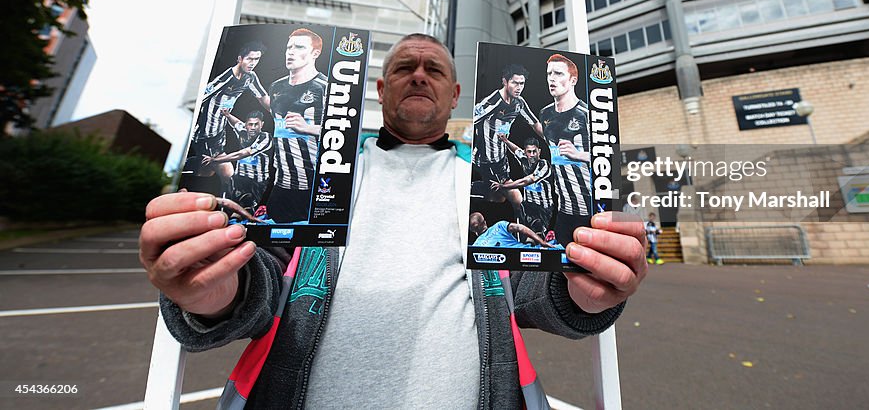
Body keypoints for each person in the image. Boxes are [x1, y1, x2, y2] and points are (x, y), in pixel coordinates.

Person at [140, 33, 648, 408]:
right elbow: (263, 273)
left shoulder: (486, 179)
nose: (420, 74)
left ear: (454, 97)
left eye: (435, 70)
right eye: (406, 67)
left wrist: (583, 291)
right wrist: (213, 295)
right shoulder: (325, 167)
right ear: (381, 90)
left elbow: (529, 288)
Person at [185, 41, 270, 195]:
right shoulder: (226, 77)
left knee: (206, 172)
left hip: (219, 134)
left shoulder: (250, 77)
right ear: (240, 59)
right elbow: (202, 97)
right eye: (250, 59)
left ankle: (192, 195)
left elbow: (262, 97)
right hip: (206, 135)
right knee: (229, 176)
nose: (253, 63)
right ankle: (227, 211)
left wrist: (279, 113)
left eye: (256, 59)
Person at [263, 28, 327, 223]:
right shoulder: (276, 87)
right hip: (280, 185)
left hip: (311, 186)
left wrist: (307, 128)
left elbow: (342, 135)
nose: (290, 52)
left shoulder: (326, 87)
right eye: (288, 47)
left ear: (315, 53)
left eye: (298, 47)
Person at [540, 53, 593, 248]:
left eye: (558, 73)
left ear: (573, 80)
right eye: (549, 74)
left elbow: (609, 160)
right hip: (562, 211)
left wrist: (578, 155)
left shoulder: (587, 115)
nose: (552, 79)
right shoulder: (545, 113)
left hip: (588, 212)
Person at [471, 63, 541, 198]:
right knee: (516, 199)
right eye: (515, 83)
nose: (519, 88)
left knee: (499, 199)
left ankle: (479, 190)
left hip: (501, 159)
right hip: (486, 160)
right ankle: (471, 188)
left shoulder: (519, 102)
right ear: (504, 81)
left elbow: (535, 123)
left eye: (522, 83)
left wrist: (552, 141)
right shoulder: (493, 101)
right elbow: (470, 119)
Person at [206, 110, 273, 213]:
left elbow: (242, 154)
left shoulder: (265, 138)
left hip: (257, 182)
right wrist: (227, 115)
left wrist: (216, 160)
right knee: (230, 203)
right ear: (246, 125)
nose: (253, 127)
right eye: (250, 124)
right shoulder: (243, 131)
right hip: (239, 179)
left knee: (246, 209)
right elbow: (236, 123)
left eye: (256, 124)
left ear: (262, 125)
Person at [492, 135, 554, 236]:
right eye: (529, 151)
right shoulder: (524, 159)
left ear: (539, 152)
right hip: (528, 205)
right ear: (525, 152)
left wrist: (504, 186)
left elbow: (526, 181)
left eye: (535, 151)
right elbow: (516, 150)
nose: (532, 154)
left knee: (537, 235)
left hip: (543, 208)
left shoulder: (544, 165)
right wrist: (506, 141)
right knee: (522, 232)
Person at [469, 212, 554, 249]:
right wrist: (542, 242)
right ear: (484, 222)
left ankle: (534, 238)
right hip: (531, 254)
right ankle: (537, 237)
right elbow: (520, 228)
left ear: (472, 230)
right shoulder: (499, 225)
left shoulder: (475, 247)